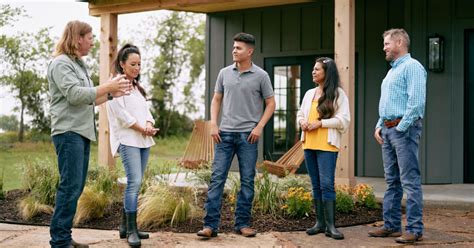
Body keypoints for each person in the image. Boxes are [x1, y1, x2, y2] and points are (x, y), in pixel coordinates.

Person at [48, 20, 131, 248]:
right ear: (77, 38)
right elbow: (75, 95)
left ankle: (63, 236)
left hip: (81, 132)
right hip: (68, 132)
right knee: (70, 186)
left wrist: (114, 93)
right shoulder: (60, 64)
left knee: (76, 187)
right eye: (90, 37)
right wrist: (108, 86)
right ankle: (59, 241)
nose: (93, 42)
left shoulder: (79, 65)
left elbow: (90, 98)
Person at [197, 32, 276, 238]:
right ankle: (210, 226)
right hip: (224, 135)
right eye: (233, 47)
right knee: (217, 179)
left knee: (247, 181)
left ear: (249, 51)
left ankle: (243, 224)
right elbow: (216, 100)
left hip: (248, 137)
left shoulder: (261, 76)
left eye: (239, 48)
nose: (234, 50)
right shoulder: (224, 73)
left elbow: (271, 104)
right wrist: (213, 123)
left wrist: (259, 127)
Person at [368, 28, 426, 244]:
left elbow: (417, 103)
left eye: (386, 44)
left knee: (410, 181)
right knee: (392, 181)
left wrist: (400, 128)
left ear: (400, 42)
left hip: (404, 130)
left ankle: (414, 229)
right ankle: (391, 226)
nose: (384, 48)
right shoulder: (391, 71)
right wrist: (379, 126)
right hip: (388, 130)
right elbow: (387, 104)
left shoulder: (413, 67)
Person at [106, 44, 157, 247]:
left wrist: (149, 125)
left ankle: (124, 226)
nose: (137, 68)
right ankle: (131, 231)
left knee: (136, 183)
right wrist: (141, 128)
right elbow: (122, 116)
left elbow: (146, 112)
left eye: (139, 64)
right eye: (133, 64)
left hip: (143, 140)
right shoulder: (114, 86)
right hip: (128, 141)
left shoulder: (136, 87)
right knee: (134, 182)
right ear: (122, 64)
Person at [297, 57, 350, 240]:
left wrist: (320, 124)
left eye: (317, 69)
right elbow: (300, 113)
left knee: (327, 185)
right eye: (313, 69)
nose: (313, 72)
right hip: (309, 144)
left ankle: (331, 226)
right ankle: (319, 223)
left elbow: (344, 121)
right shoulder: (309, 93)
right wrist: (302, 121)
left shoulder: (338, 94)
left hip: (326, 146)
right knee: (316, 185)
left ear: (327, 73)